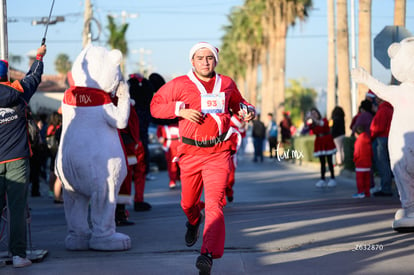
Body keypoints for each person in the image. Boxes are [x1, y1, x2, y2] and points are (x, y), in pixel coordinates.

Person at [150, 42, 255, 275]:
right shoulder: (179, 84)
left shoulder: (226, 83)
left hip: (218, 153)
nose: (205, 62)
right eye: (200, 58)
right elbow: (155, 106)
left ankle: (207, 254)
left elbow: (240, 103)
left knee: (215, 204)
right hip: (190, 153)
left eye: (209, 57)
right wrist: (180, 110)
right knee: (187, 203)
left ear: (215, 60)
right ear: (192, 61)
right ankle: (193, 220)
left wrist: (249, 110)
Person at [0, 44, 46, 268]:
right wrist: (39, 56)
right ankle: (18, 255)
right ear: (6, 75)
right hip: (17, 159)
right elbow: (34, 76)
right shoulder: (18, 91)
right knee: (17, 209)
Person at [306, 107, 337, 187]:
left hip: (327, 140)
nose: (314, 115)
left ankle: (332, 178)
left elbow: (323, 125)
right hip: (319, 141)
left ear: (318, 113)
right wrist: (308, 120)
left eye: (315, 113)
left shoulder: (324, 120)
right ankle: (322, 179)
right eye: (312, 114)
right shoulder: (313, 123)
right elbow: (310, 130)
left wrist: (314, 119)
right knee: (322, 162)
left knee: (329, 161)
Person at [370, 96, 394, 196]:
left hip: (381, 138)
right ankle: (386, 186)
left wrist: (372, 134)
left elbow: (379, 126)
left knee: (383, 163)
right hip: (385, 137)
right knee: (386, 163)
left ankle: (386, 188)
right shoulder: (387, 109)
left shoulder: (383, 110)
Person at [157, 123, 180, 189]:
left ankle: (179, 179)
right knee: (172, 165)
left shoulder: (179, 124)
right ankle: (172, 181)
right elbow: (160, 136)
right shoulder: (162, 126)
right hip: (169, 147)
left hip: (180, 146)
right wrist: (160, 138)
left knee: (182, 165)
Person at [46, 111, 63, 203]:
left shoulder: (50, 127)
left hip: (52, 151)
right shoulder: (58, 128)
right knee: (59, 176)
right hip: (58, 151)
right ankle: (57, 196)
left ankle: (51, 191)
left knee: (53, 171)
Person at [353, 125, 372, 198]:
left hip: (360, 163)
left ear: (356, 133)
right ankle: (367, 192)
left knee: (360, 180)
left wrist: (355, 159)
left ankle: (360, 192)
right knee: (367, 179)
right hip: (368, 163)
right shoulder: (367, 139)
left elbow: (356, 153)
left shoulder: (358, 141)